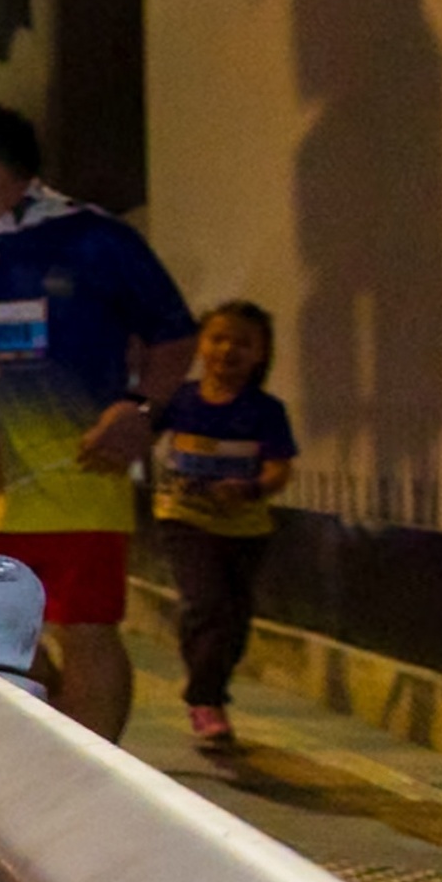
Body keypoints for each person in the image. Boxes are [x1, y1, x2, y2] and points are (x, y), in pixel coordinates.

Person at [0, 100, 197, 742]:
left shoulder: (95, 240)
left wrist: (140, 409)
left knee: (85, 627)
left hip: (78, 467)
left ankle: (92, 771)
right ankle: (50, 741)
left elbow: (175, 335)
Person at [152, 299, 298, 748]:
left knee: (234, 619)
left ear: (261, 353)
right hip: (184, 520)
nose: (228, 350)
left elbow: (279, 469)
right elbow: (141, 436)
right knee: (205, 603)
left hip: (245, 530)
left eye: (243, 342)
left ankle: (209, 683)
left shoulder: (265, 411)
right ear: (201, 344)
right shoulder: (179, 400)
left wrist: (250, 489)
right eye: (218, 338)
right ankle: (205, 700)